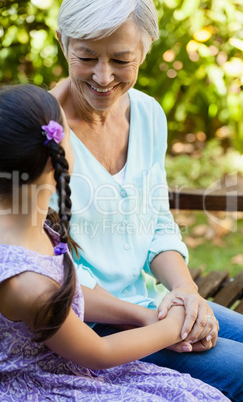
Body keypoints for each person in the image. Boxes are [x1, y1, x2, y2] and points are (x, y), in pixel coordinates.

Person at [0, 84, 230, 401]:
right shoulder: (30, 286)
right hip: (43, 380)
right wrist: (171, 326)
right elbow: (97, 352)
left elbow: (68, 290)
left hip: (62, 356)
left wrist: (147, 317)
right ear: (59, 156)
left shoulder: (0, 215)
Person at [49, 1, 243, 400]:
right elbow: (48, 270)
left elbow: (156, 223)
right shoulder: (42, 133)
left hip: (150, 303)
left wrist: (186, 294)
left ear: (145, 49)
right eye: (86, 57)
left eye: (122, 59)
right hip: (89, 329)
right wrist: (157, 322)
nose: (103, 77)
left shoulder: (149, 114)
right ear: (62, 42)